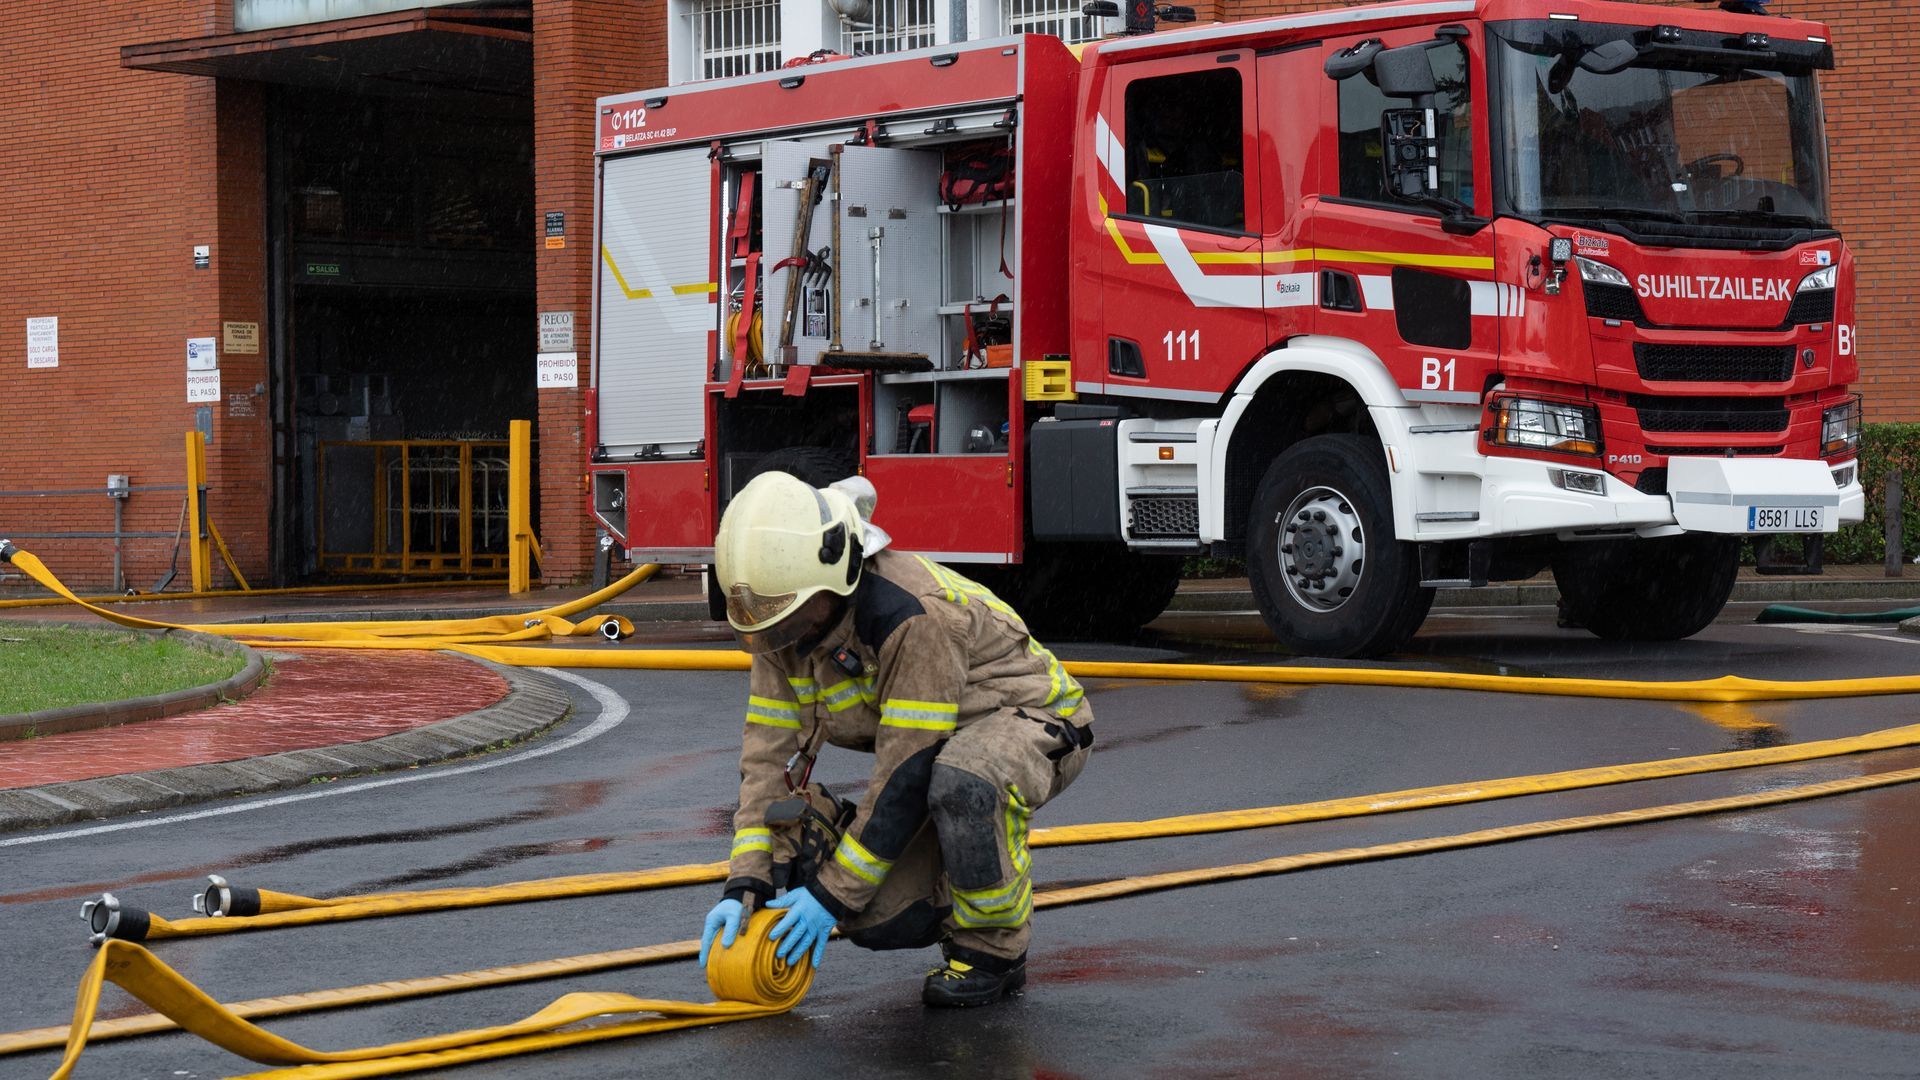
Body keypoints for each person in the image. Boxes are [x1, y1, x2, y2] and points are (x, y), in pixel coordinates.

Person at [697, 471, 1093, 1007]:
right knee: (875, 914)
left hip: (1033, 724)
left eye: (784, 617)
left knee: (963, 781)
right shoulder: (783, 623)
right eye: (763, 622)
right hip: (939, 748)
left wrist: (831, 894)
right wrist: (747, 883)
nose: (774, 638)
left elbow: (906, 769)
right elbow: (767, 758)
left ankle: (994, 950)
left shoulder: (912, 617)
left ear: (832, 579)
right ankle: (951, 882)